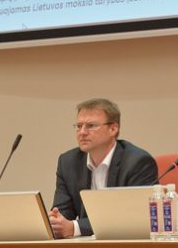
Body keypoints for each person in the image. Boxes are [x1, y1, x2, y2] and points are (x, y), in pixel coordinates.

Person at [50, 98, 158, 238]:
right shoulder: (67, 162)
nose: (82, 132)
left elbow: (132, 217)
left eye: (90, 126)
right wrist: (56, 222)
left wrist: (76, 227)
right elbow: (62, 214)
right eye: (79, 126)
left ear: (113, 129)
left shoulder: (138, 162)